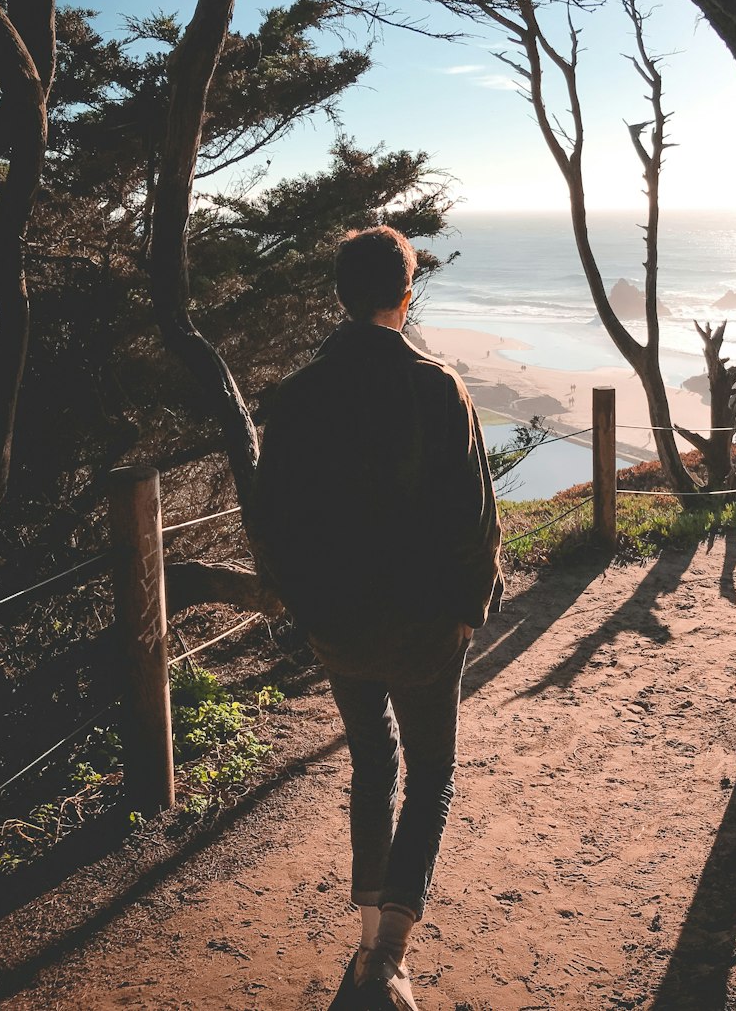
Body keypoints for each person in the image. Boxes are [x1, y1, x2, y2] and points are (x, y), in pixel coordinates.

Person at [249, 226, 502, 1010]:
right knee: (431, 770)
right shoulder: (439, 386)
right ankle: (390, 955)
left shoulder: (294, 397)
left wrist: (306, 608)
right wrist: (470, 609)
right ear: (406, 292)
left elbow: (272, 522)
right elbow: (477, 517)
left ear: (340, 295)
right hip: (428, 629)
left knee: (372, 762)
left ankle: (367, 944)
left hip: (340, 629)